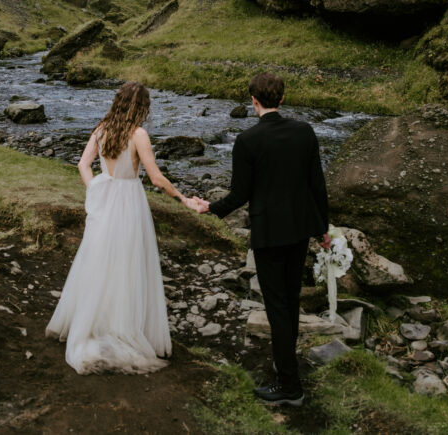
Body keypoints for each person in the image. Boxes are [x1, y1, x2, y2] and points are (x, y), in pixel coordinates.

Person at [46, 82, 203, 374]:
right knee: (128, 263)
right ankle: (124, 327)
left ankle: (96, 323)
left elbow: (83, 164)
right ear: (142, 107)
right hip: (129, 201)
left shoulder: (101, 128)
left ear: (118, 102)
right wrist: (184, 199)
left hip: (106, 198)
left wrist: (96, 187)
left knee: (99, 261)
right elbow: (156, 179)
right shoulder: (138, 134)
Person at [195, 73, 329, 406]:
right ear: (282, 99)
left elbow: (240, 195)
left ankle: (289, 386)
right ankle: (286, 364)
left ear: (254, 101)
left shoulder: (248, 141)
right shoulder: (305, 132)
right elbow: (317, 184)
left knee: (278, 308)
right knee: (290, 299)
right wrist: (322, 228)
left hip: (269, 235)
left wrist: (209, 208)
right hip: (299, 231)